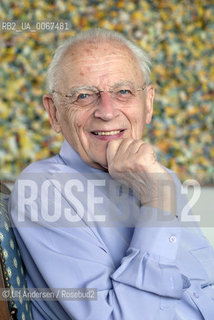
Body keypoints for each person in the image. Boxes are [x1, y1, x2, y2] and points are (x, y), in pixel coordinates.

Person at [9, 28, 214, 320]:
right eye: (83, 95)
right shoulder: (43, 189)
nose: (106, 111)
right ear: (54, 113)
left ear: (148, 103)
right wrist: (157, 203)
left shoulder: (160, 174)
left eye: (123, 92)